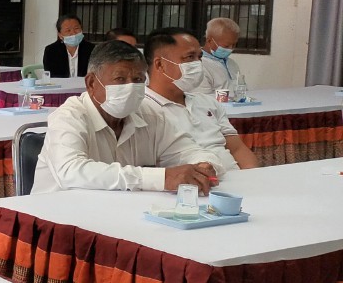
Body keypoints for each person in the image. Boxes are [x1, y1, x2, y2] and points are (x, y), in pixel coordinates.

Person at [31, 39, 223, 194]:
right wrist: (160, 178)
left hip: (120, 214)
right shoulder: (69, 116)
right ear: (91, 83)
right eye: (120, 79)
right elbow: (71, 172)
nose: (130, 87)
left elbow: (189, 150)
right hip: (56, 219)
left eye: (138, 79)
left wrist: (203, 166)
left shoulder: (150, 114)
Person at [143, 27, 258, 172]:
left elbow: (237, 149)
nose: (198, 63)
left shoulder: (208, 102)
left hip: (236, 180)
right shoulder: (143, 109)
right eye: (189, 57)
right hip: (188, 183)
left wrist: (252, 177)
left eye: (199, 57)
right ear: (160, 65)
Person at [200, 17, 244, 92]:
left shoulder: (232, 63)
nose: (231, 49)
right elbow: (203, 97)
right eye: (226, 46)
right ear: (209, 41)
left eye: (234, 45)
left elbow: (241, 88)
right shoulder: (199, 65)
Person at [43, 14, 94, 78]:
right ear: (60, 35)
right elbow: (52, 76)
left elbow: (95, 75)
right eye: (68, 30)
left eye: (76, 28)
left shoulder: (92, 49)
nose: (73, 33)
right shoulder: (51, 51)